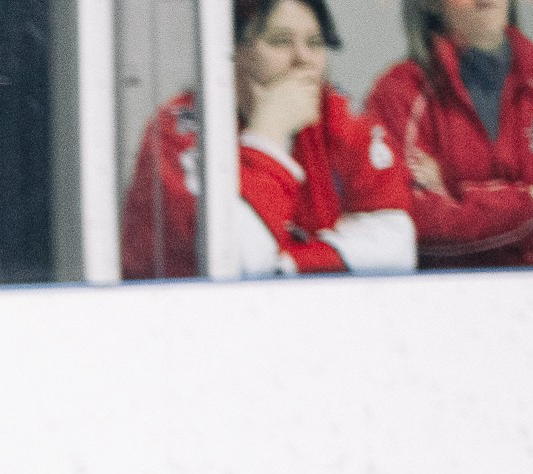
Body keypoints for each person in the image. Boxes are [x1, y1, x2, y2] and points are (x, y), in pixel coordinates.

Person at [123, 0, 417, 278]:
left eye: (314, 43)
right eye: (279, 41)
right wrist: (270, 133)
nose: (303, 59)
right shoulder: (179, 130)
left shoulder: (335, 115)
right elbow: (235, 263)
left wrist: (289, 265)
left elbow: (396, 247)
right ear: (234, 51)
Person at [365, 0, 533, 267]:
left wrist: (458, 203)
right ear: (431, 4)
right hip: (441, 301)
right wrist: (530, 204)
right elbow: (412, 224)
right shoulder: (399, 95)